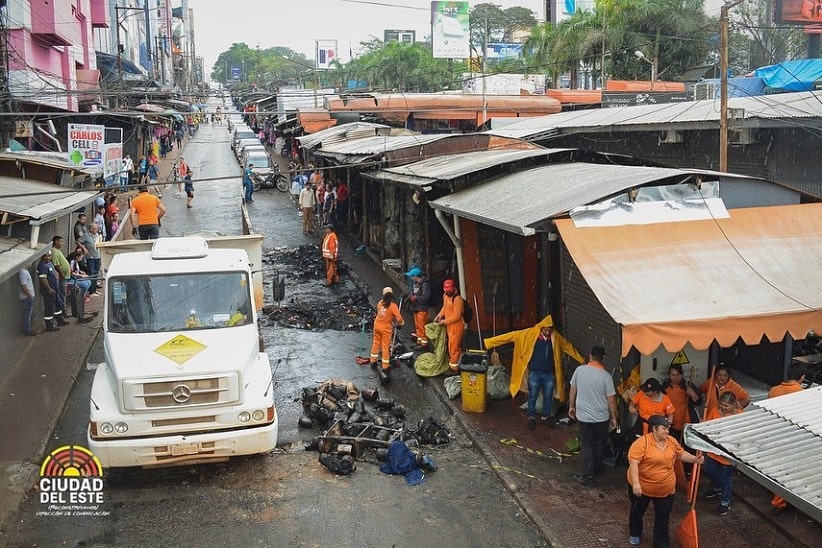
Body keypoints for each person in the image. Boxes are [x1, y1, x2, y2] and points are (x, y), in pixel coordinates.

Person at [484, 315, 584, 429]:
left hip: (548, 373)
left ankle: (545, 417)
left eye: (549, 330)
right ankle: (531, 417)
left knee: (548, 396)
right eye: (546, 330)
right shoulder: (529, 334)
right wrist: (490, 342)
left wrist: (581, 359)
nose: (548, 332)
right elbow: (510, 336)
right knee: (533, 395)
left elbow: (568, 347)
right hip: (535, 372)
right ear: (541, 328)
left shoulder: (555, 337)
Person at [627, 415, 704, 547]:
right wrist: (636, 484)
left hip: (665, 489)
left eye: (668, 428)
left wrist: (694, 459)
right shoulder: (641, 444)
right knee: (637, 511)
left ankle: (660, 543)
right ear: (654, 429)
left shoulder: (671, 441)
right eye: (664, 428)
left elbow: (680, 454)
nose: (667, 431)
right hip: (642, 488)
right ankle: (635, 532)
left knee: (663, 518)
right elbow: (634, 463)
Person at [568, 346, 618, 486]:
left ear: (590, 356)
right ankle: (596, 469)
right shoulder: (606, 377)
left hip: (584, 417)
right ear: (604, 359)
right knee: (597, 444)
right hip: (602, 418)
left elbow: (572, 391)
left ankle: (588, 476)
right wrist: (614, 418)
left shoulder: (579, 370)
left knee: (586, 445)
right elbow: (611, 400)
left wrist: (571, 406)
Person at [767, 363, 806, 514]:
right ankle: (780, 502)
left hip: (776, 434)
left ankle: (779, 500)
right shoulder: (802, 394)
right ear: (802, 377)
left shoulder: (774, 390)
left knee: (777, 469)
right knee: (789, 470)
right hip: (793, 437)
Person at [703, 391, 741, 516]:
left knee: (725, 478)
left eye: (726, 406)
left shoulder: (740, 415)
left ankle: (725, 501)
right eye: (722, 405)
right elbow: (707, 425)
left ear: (733, 405)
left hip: (727, 454)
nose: (723, 408)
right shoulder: (715, 410)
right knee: (710, 471)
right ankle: (717, 488)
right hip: (713, 450)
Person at [370, 287, 404, 377]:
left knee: (376, 343)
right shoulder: (393, 306)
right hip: (385, 328)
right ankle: (385, 366)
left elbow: (380, 313)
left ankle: (373, 360)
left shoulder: (380, 303)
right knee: (385, 346)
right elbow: (399, 318)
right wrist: (401, 323)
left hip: (377, 325)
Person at [661, 364, 701, 441]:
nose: (675, 378)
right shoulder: (664, 386)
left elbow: (699, 402)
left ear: (682, 375)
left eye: (678, 375)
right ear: (669, 375)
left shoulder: (688, 385)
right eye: (673, 375)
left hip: (687, 424)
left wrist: (692, 393)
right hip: (671, 425)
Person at [433, 279, 464, 373]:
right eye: (446, 290)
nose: (448, 292)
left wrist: (444, 321)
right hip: (449, 326)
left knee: (454, 347)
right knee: (451, 345)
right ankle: (456, 364)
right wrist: (439, 316)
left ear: (453, 288)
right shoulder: (445, 296)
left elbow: (457, 316)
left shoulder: (457, 299)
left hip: (456, 326)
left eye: (450, 289)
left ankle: (454, 368)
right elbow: (444, 308)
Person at [37, 251, 68, 331]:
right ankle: (49, 325)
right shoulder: (42, 266)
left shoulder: (49, 263)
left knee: (58, 304)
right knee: (49, 307)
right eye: (46, 256)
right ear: (42, 257)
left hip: (55, 289)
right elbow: (43, 279)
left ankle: (60, 320)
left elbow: (54, 272)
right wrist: (49, 288)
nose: (48, 257)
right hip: (48, 290)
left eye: (49, 256)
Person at [405, 267, 432, 349]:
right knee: (418, 326)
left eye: (412, 276)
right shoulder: (416, 284)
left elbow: (426, 297)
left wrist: (416, 298)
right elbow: (413, 293)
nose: (411, 278)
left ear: (415, 276)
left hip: (422, 309)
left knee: (422, 327)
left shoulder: (425, 285)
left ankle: (424, 344)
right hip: (416, 308)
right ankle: (419, 341)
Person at [50, 235, 71, 319]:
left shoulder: (58, 251)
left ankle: (63, 310)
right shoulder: (54, 251)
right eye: (61, 241)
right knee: (62, 293)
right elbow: (56, 264)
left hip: (65, 276)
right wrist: (61, 273)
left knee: (63, 293)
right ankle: (63, 311)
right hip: (62, 277)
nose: (62, 243)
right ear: (56, 242)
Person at [78, 223, 102, 294]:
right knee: (91, 273)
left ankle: (94, 289)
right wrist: (84, 248)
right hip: (91, 257)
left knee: (96, 273)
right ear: (90, 229)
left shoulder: (97, 235)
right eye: (94, 229)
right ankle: (91, 291)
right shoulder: (86, 235)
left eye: (96, 229)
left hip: (98, 256)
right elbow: (78, 241)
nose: (96, 230)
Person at [19, 267, 36, 336]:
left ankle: (27, 329)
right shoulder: (22, 272)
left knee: (28, 313)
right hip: (26, 297)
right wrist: (30, 296)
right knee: (27, 314)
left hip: (27, 297)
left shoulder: (25, 271)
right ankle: (27, 330)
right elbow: (23, 286)